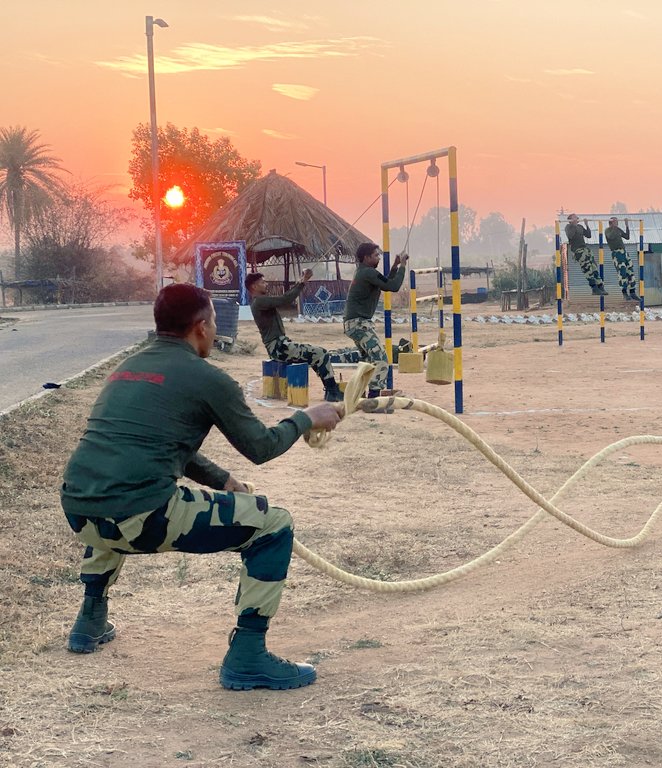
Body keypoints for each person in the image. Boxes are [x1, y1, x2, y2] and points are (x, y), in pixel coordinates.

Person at [62, 284, 343, 690]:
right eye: (212, 322)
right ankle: (248, 655)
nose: (213, 330)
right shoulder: (208, 378)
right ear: (199, 327)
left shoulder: (127, 369)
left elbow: (153, 444)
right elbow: (262, 447)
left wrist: (223, 481)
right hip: (142, 515)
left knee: (114, 500)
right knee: (274, 524)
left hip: (79, 509)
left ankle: (89, 621)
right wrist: (306, 417)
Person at [246, 269, 343, 402]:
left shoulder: (259, 302)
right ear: (254, 286)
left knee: (316, 355)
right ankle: (332, 390)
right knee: (321, 353)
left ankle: (331, 390)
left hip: (279, 346)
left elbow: (285, 297)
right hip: (278, 347)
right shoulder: (259, 302)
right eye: (263, 282)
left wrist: (300, 283)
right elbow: (285, 299)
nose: (266, 284)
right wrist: (302, 282)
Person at [343, 242, 408, 398]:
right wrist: (403, 266)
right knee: (381, 360)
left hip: (353, 323)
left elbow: (385, 284)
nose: (378, 257)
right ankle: (373, 397)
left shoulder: (364, 272)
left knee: (367, 361)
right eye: (376, 255)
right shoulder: (369, 273)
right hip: (359, 323)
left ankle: (358, 395)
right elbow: (393, 286)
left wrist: (395, 266)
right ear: (366, 258)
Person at [565, 213, 607, 296]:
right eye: (574, 218)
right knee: (587, 268)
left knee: (594, 267)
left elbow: (588, 235)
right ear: (570, 220)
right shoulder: (568, 227)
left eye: (576, 218)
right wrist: (573, 225)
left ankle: (600, 286)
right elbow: (570, 236)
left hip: (585, 249)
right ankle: (594, 288)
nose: (576, 219)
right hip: (578, 250)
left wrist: (586, 225)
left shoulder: (580, 227)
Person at [605, 217, 640, 301]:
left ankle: (632, 291)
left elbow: (627, 237)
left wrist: (627, 226)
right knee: (622, 271)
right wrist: (614, 226)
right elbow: (611, 236)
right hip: (616, 252)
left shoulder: (617, 229)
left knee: (630, 271)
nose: (617, 223)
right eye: (615, 222)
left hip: (623, 252)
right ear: (611, 223)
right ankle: (624, 292)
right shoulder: (608, 230)